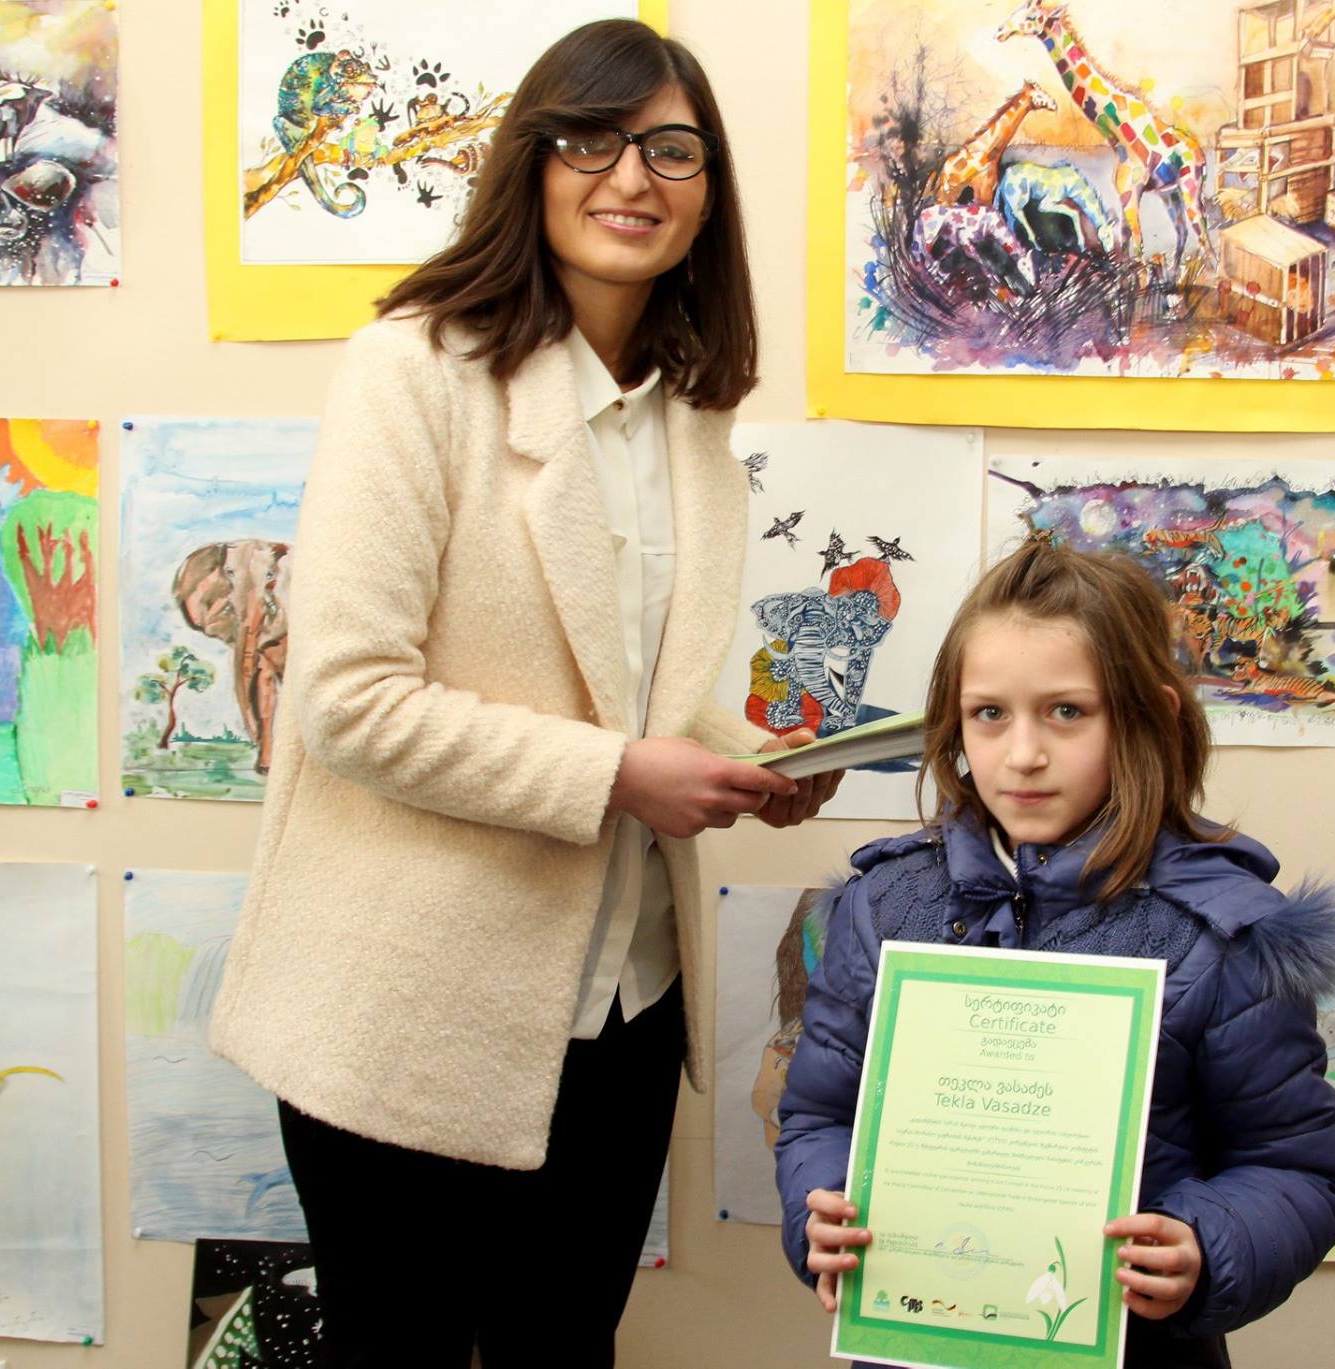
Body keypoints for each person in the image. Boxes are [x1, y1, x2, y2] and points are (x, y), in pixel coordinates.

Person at [208, 20, 836, 1367]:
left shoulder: (690, 414)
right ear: (529, 164)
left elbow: (631, 693)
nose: (634, 177)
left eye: (673, 149)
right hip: (409, 1010)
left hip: (624, 1008)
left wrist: (748, 756)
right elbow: (349, 700)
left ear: (710, 193)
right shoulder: (413, 369)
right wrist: (621, 776)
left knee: (565, 1350)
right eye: (591, 140)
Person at [774, 535, 1335, 1368]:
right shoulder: (882, 908)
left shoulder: (1223, 935)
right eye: (989, 713)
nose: (1023, 754)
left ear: (1148, 714)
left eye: (1067, 711)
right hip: (918, 1339)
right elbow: (820, 1116)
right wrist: (819, 1208)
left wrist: (1202, 1245)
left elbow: (1294, 1169)